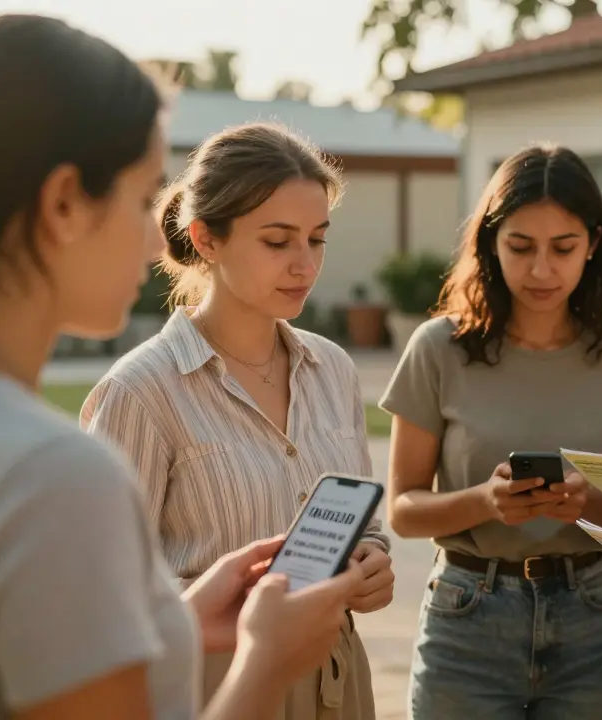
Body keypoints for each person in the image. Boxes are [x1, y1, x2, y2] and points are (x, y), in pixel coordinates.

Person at [0, 14, 362, 720]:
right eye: (143, 201)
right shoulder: (53, 476)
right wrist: (264, 664)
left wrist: (183, 620)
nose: (152, 243)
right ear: (65, 203)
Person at [81, 121, 394, 720]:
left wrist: (372, 564)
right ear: (206, 239)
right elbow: (102, 603)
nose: (305, 264)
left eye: (317, 239)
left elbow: (362, 525)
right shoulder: (141, 391)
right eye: (278, 241)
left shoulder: (332, 368)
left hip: (339, 682)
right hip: (213, 690)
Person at [379, 143, 602, 719]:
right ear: (490, 243)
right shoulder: (438, 350)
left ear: (594, 245)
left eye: (563, 248)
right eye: (521, 246)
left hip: (591, 621)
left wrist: (586, 503)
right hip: (467, 617)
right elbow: (404, 510)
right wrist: (486, 502)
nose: (541, 270)